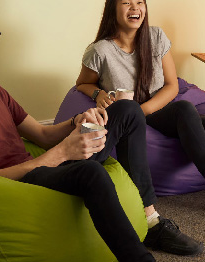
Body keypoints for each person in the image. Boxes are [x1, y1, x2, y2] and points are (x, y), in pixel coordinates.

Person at [0, 0, 159, 261]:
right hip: (21, 182)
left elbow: (42, 135)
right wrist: (63, 153)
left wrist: (77, 122)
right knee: (90, 171)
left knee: (128, 110)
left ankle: (151, 217)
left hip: (42, 165)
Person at [76, 0, 204, 257]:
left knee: (187, 110)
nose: (135, 8)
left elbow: (171, 85)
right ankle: (152, 222)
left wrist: (142, 112)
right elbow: (82, 84)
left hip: (155, 108)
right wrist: (99, 93)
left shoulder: (156, 37)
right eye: (127, 2)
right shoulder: (100, 50)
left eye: (139, 2)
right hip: (124, 114)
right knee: (183, 114)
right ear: (114, 9)